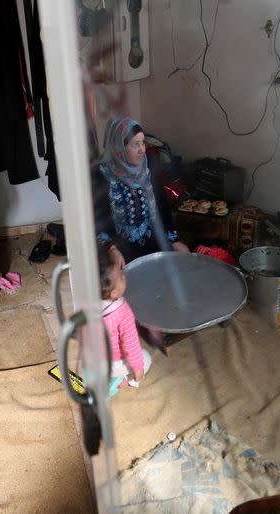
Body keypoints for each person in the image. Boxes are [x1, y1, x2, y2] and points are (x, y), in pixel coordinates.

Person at [93, 116, 190, 268]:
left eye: (143, 142)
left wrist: (173, 240)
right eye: (135, 144)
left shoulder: (148, 165)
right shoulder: (102, 174)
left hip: (152, 244)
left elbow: (162, 205)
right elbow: (97, 218)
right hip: (120, 251)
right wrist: (110, 248)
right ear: (119, 147)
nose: (142, 150)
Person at [97, 245, 151, 396]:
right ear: (114, 292)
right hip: (112, 364)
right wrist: (138, 369)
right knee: (146, 359)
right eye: (121, 276)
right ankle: (125, 381)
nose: (124, 276)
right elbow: (130, 345)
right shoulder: (123, 312)